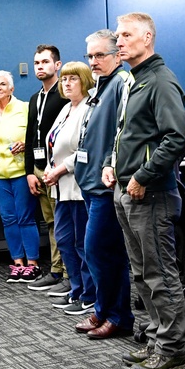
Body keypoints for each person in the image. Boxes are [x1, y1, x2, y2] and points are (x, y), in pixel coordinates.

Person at [103, 12, 185, 369]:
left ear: (148, 37)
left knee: (159, 275)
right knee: (141, 274)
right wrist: (112, 163)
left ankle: (172, 350)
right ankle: (156, 341)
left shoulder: (160, 81)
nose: (118, 42)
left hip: (150, 194)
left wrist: (141, 176)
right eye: (117, 36)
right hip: (127, 191)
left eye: (125, 35)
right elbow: (129, 135)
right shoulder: (133, 81)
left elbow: (176, 139)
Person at [72, 29, 134, 339]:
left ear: (118, 55)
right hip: (88, 181)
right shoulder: (100, 85)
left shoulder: (121, 84)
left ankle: (119, 316)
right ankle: (103, 309)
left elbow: (121, 132)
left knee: (100, 250)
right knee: (99, 250)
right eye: (90, 56)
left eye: (100, 55)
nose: (94, 61)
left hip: (105, 185)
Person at [41, 62, 95, 317]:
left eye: (73, 79)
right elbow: (54, 144)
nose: (67, 83)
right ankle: (76, 288)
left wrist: (59, 169)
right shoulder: (65, 109)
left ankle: (89, 294)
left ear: (85, 81)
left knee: (82, 243)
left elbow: (86, 148)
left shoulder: (89, 109)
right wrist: (51, 170)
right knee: (63, 239)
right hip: (60, 188)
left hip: (77, 186)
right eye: (64, 79)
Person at [0, 70, 40, 283]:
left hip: (21, 172)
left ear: (11, 89)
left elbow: (34, 136)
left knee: (25, 218)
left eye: (3, 84)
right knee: (8, 219)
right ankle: (18, 263)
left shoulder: (24, 108)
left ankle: (32, 264)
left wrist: (25, 146)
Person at [24, 45, 67, 292]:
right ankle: (55, 270)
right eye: (37, 63)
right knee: (50, 222)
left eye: (45, 62)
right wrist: (30, 171)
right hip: (40, 169)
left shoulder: (65, 94)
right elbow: (31, 136)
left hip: (59, 170)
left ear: (57, 65)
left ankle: (68, 274)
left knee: (63, 222)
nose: (40, 67)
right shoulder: (35, 98)